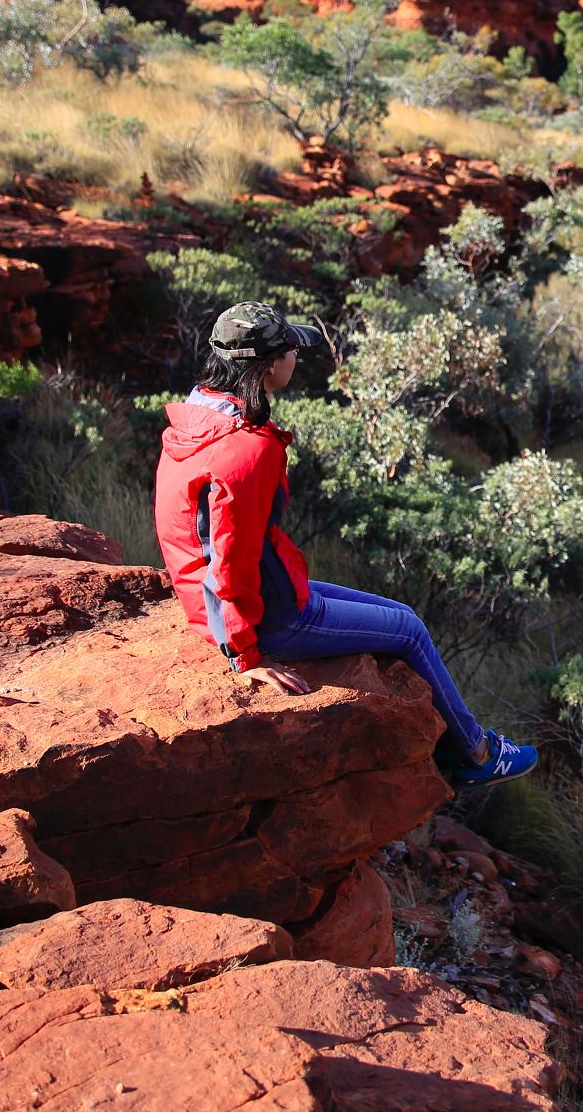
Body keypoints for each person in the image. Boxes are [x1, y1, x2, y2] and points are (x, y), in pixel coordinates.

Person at [153, 300, 539, 787]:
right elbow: (224, 561)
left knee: (402, 616)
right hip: (269, 618)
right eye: (291, 350)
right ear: (271, 364)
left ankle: (461, 746)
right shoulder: (247, 449)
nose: (296, 358)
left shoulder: (196, 418)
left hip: (254, 594)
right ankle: (477, 755)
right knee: (410, 632)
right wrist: (246, 656)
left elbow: (200, 540)